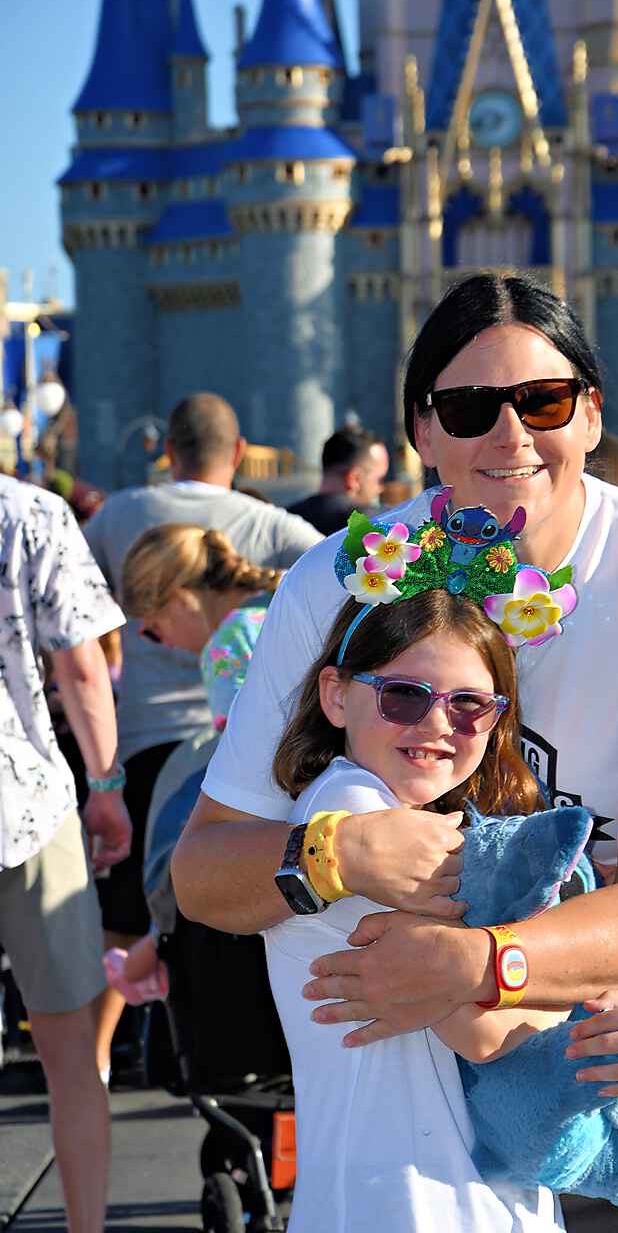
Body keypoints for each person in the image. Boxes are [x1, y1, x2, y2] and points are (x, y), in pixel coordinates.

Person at [173, 274, 618, 1233]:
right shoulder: (336, 581)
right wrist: (331, 856)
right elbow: (207, 874)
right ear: (421, 432)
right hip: (437, 1147)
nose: (509, 438)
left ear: (589, 414)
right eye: (467, 408)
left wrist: (479, 966)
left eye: (541, 402)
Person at [266, 539, 618, 1232]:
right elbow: (483, 1028)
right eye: (404, 695)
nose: (437, 723)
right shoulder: (359, 818)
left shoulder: (401, 817)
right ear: (334, 694)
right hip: (410, 1205)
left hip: (437, 1196)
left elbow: (485, 980)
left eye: (468, 705)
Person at [83, 392, 322, 1082]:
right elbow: (340, 566)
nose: (153, 638)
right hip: (270, 771)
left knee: (148, 895)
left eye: (152, 625)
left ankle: (102, 1050)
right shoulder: (266, 524)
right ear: (238, 451)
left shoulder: (122, 514)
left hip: (154, 745)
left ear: (169, 451)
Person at [0, 475, 131, 1233]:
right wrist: (106, 780)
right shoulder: (32, 512)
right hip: (25, 799)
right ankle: (86, 1226)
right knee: (68, 1051)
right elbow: (81, 667)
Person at [104, 523, 284, 997]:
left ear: (181, 598)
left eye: (153, 629)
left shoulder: (226, 644)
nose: (158, 641)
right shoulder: (287, 597)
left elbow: (248, 766)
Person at [288, 424, 390, 535]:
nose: (381, 488)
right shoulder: (378, 521)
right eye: (380, 480)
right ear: (354, 478)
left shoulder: (285, 521)